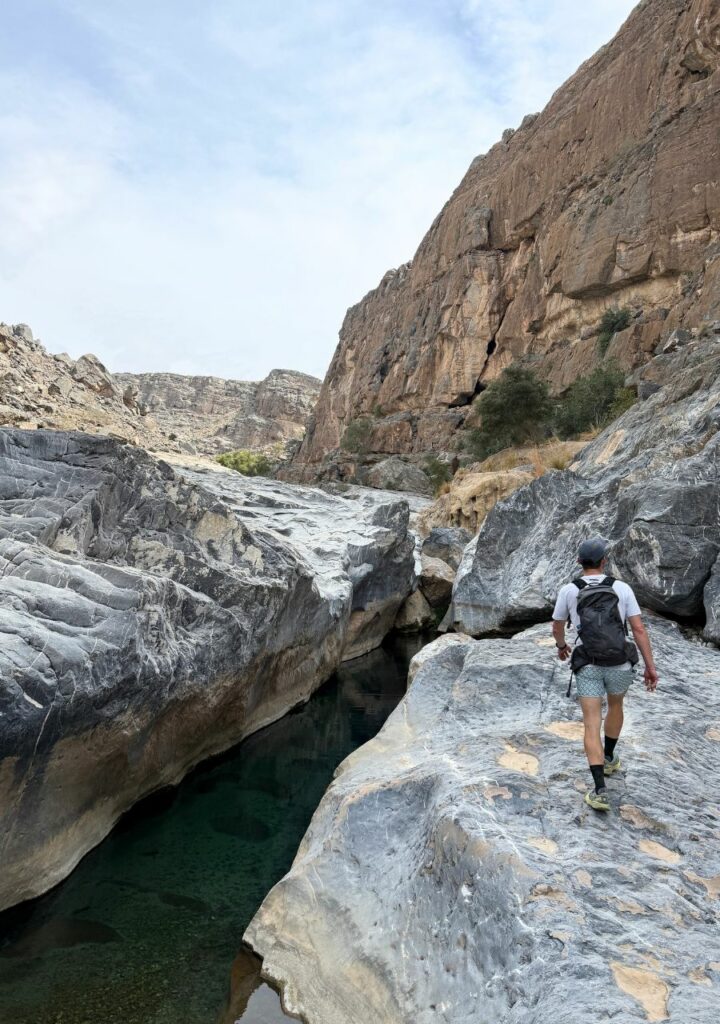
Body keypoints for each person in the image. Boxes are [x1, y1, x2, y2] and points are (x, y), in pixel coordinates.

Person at [551, 536, 659, 811]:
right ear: (604, 562)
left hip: (588, 663)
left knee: (591, 722)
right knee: (615, 706)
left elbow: (558, 625)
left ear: (579, 562)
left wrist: (562, 646)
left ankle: (599, 790)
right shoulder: (621, 588)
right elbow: (638, 630)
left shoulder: (569, 590)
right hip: (620, 662)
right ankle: (609, 757)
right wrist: (650, 666)